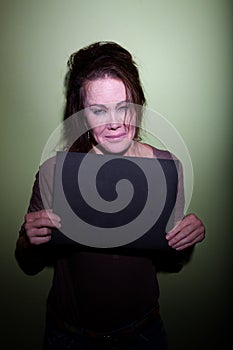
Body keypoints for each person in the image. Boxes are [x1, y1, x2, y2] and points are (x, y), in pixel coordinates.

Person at [15, 41, 205, 350]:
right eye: (98, 111)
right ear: (80, 115)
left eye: (124, 107)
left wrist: (185, 239)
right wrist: (28, 238)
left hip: (143, 334)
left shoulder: (166, 168)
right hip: (69, 337)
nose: (115, 122)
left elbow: (172, 262)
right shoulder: (55, 172)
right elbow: (28, 263)